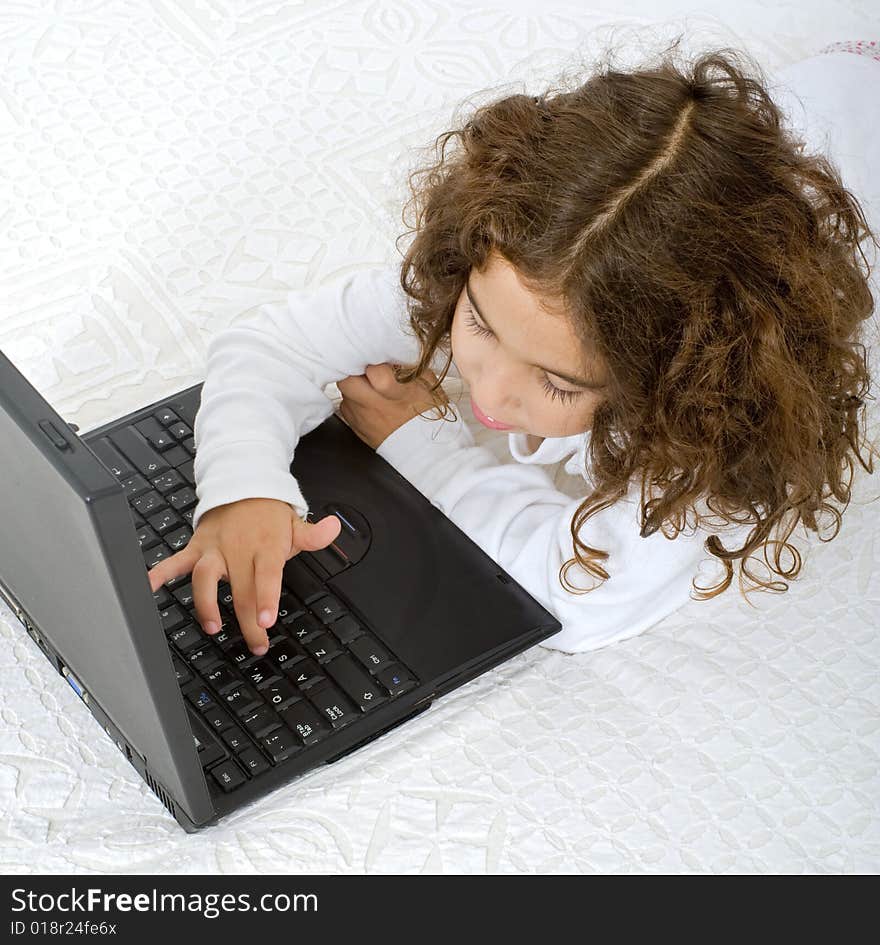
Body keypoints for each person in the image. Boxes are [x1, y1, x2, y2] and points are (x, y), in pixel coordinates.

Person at [146, 41, 878, 659]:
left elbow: (581, 598)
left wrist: (420, 442)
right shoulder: (507, 269)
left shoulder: (707, 420)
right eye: (482, 329)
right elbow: (269, 344)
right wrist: (243, 487)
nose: (490, 393)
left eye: (558, 384)